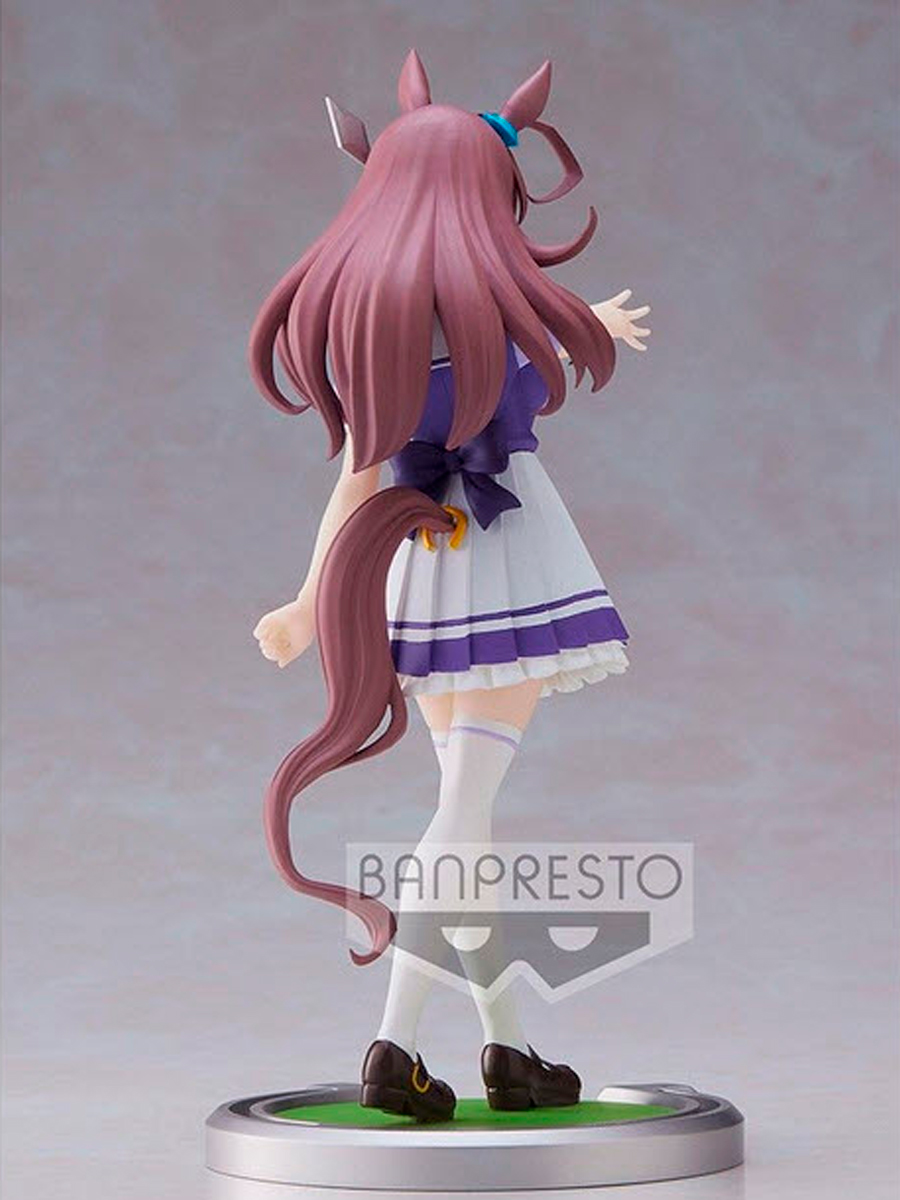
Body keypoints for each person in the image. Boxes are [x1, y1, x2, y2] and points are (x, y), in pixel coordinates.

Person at [249, 51, 650, 1122]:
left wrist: (309, 600)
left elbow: (357, 479)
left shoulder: (379, 329)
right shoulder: (492, 312)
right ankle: (392, 1047)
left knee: (468, 824)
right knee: (461, 818)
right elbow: (528, 346)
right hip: (502, 570)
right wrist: (590, 323)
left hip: (421, 573)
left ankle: (509, 1053)